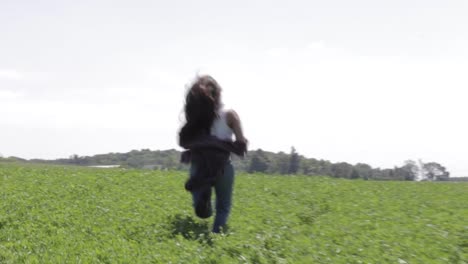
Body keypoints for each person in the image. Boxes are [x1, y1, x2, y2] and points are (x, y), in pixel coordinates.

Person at [178, 75, 247, 233]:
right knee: (223, 206)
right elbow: (241, 142)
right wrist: (223, 145)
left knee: (204, 209)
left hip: (201, 166)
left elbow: (186, 140)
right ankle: (216, 237)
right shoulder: (230, 115)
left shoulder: (197, 118)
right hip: (223, 166)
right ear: (218, 93)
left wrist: (206, 143)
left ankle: (205, 201)